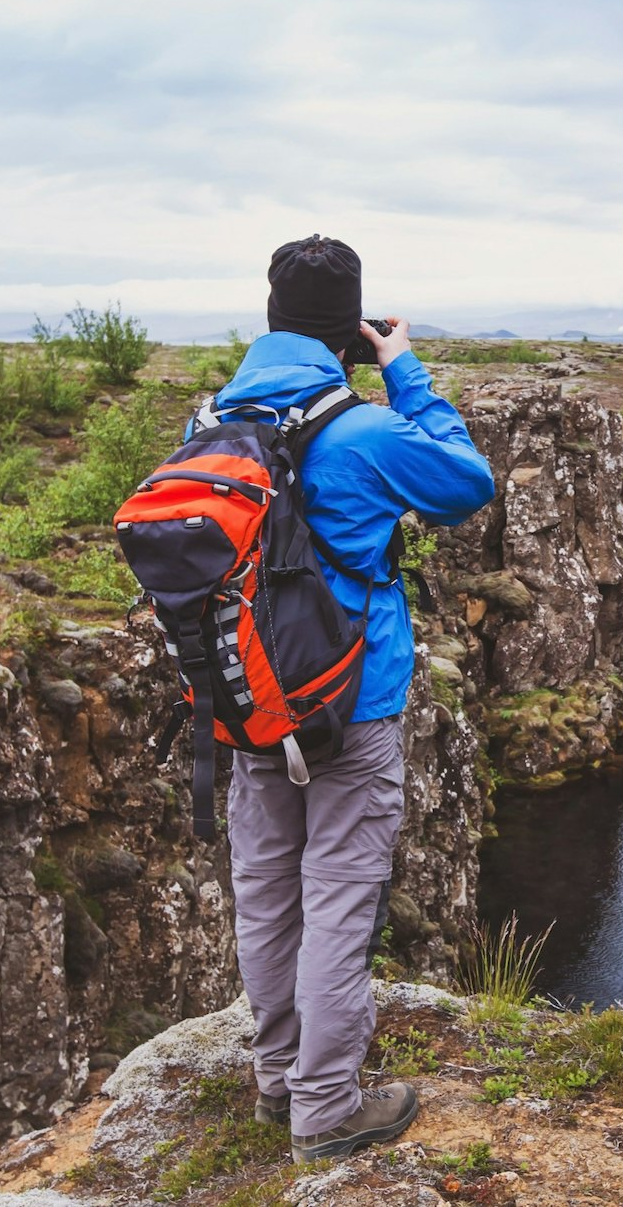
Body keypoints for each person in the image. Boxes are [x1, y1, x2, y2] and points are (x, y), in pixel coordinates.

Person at [214, 235, 495, 1163]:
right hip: (350, 705)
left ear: (269, 317)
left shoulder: (209, 427)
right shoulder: (366, 431)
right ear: (352, 326)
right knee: (338, 895)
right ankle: (327, 1108)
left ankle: (277, 1078)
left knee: (265, 891)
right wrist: (404, 367)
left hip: (250, 701)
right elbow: (467, 485)